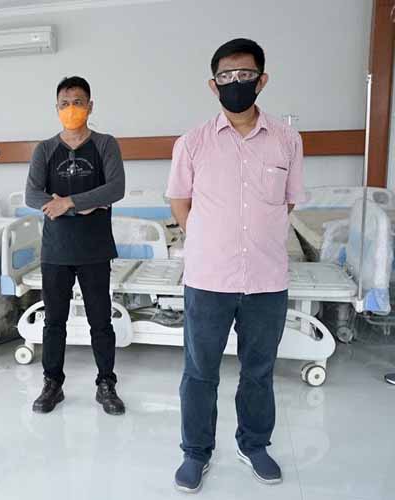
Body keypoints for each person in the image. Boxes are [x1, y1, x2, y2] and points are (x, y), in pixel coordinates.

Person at [166, 38, 305, 493]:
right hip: (209, 278)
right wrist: (211, 240)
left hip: (266, 280)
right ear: (214, 85)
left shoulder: (287, 140)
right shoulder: (192, 143)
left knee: (259, 371)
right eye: (226, 76)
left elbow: (287, 203)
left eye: (245, 75)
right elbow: (179, 203)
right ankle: (195, 452)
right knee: (199, 372)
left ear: (262, 81)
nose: (236, 83)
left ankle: (255, 444)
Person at [25, 76, 127, 416]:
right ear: (56, 108)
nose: (72, 109)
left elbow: (115, 189)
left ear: (90, 106)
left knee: (101, 321)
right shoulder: (45, 150)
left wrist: (67, 202)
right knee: (54, 321)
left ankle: (106, 383)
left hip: (94, 248)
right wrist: (85, 205)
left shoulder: (105, 145)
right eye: (65, 103)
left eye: (78, 102)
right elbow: (32, 195)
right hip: (56, 250)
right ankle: (52, 383)